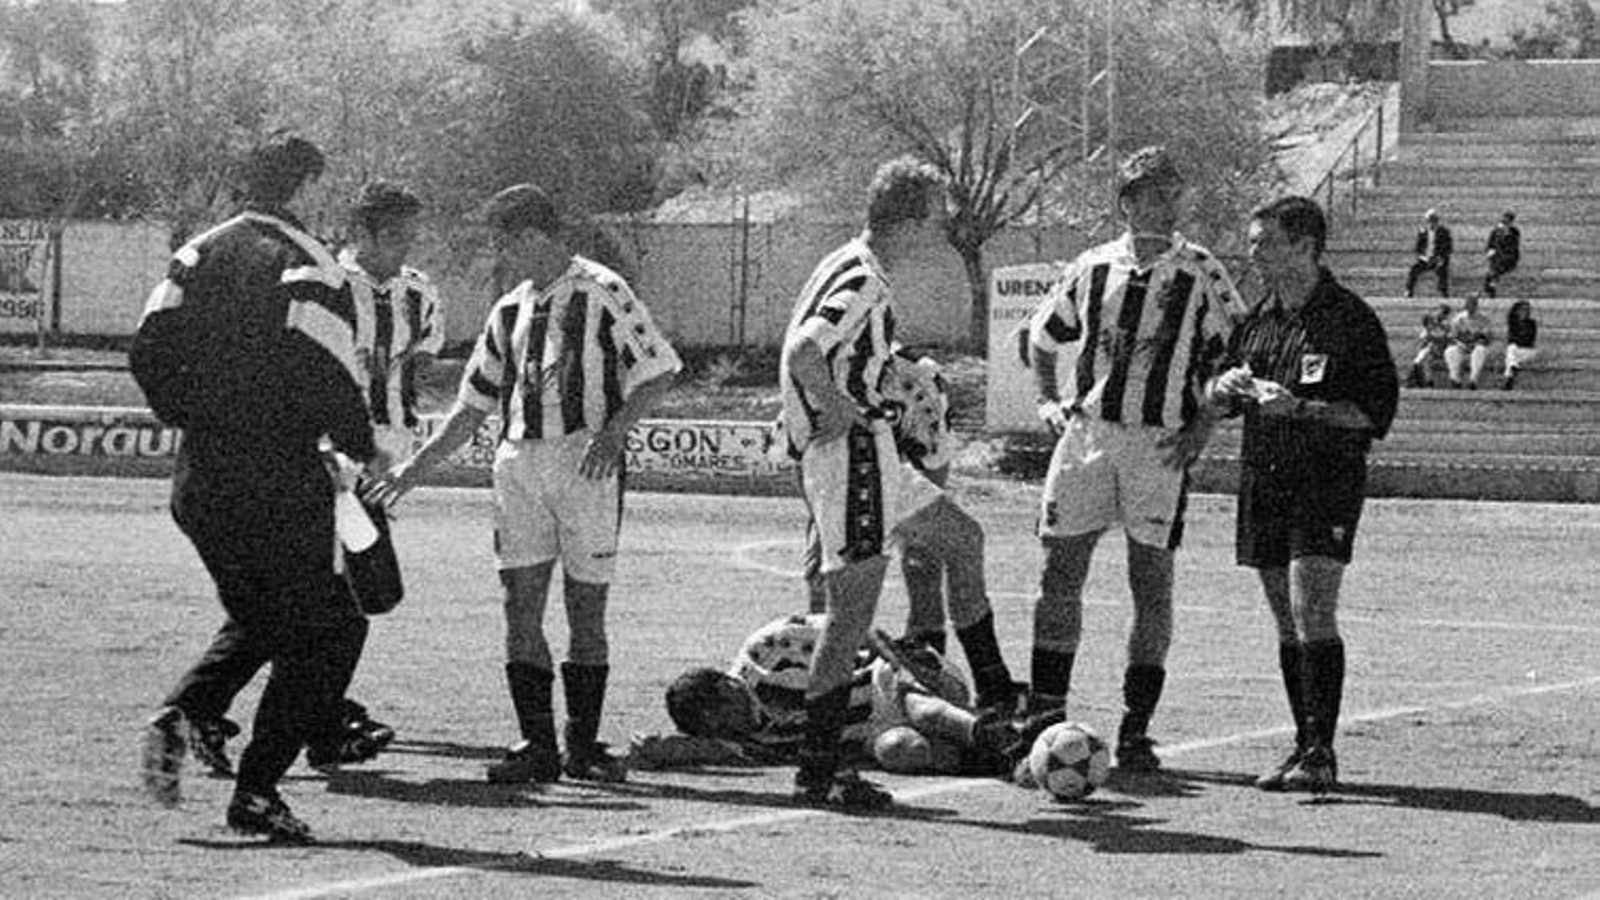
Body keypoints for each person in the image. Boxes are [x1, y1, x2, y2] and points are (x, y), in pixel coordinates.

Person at [363, 182, 680, 785]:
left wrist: (614, 433)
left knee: (585, 607)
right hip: (518, 467)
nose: (504, 253)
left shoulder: (603, 291)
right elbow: (471, 407)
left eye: (508, 240)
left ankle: (582, 745)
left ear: (536, 234)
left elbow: (658, 370)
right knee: (519, 605)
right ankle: (537, 746)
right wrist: (413, 471)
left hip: (584, 464)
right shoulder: (510, 308)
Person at [131, 132, 378, 842]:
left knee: (267, 617)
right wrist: (355, 446)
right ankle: (256, 793)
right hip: (275, 477)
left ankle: (186, 712)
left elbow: (147, 349)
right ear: (304, 186)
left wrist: (195, 414)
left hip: (200, 477)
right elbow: (323, 370)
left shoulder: (198, 250)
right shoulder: (308, 263)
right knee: (331, 628)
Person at [166, 181, 442, 781]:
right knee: (330, 604)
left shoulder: (419, 293)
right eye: (395, 235)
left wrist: (395, 445)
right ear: (362, 234)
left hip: (371, 461)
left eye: (410, 236)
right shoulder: (319, 280)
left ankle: (209, 710)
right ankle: (310, 728)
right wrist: (331, 447)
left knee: (331, 600)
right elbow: (308, 372)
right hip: (324, 461)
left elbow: (410, 371)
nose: (405, 248)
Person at [778, 156, 1030, 809]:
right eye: (938, 212)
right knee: (848, 617)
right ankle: (819, 770)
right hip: (855, 456)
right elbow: (804, 350)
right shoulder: (864, 278)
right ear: (914, 216)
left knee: (962, 539)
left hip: (876, 452)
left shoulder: (846, 262)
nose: (944, 224)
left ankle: (1000, 698)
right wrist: (833, 407)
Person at [1024, 145, 1246, 773]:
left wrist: (1204, 423)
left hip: (1159, 445)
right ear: (1126, 201)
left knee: (1150, 583)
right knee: (1058, 573)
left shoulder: (1200, 270)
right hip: (1090, 435)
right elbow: (1043, 336)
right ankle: (1044, 715)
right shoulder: (1093, 266)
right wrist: (1048, 399)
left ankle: (1136, 728)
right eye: (1152, 193)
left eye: (1173, 193)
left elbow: (1239, 353)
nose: (1166, 203)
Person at [1207, 195, 1399, 793]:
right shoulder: (1258, 321)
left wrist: (1303, 408)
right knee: (1286, 620)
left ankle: (1321, 752)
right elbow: (1217, 396)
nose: (1254, 252)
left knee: (1312, 605)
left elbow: (1370, 413)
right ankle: (1302, 744)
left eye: (1265, 241)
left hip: (1324, 481)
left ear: (1305, 247)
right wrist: (1225, 385)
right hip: (1264, 480)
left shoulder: (1350, 319)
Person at [799, 347, 1023, 714]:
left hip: (895, 472)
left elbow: (933, 465)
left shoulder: (920, 380)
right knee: (829, 593)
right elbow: (798, 452)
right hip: (836, 473)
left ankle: (963, 686)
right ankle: (825, 711)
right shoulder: (822, 366)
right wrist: (823, 527)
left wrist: (918, 537)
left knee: (937, 555)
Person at [630, 613, 1056, 776]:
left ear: (724, 686)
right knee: (900, 751)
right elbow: (704, 752)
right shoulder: (743, 737)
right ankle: (999, 760)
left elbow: (852, 625)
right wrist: (662, 749)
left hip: (890, 677)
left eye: (722, 716)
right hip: (870, 732)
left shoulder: (770, 648)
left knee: (923, 712)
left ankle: (1006, 734)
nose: (730, 728)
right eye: (717, 728)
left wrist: (915, 672)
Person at [1444, 293, 1493, 389]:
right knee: (1450, 351)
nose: (1470, 307)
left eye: (1473, 305)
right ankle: (1455, 380)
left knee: (1480, 350)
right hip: (1461, 346)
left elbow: (1487, 338)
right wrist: (1460, 344)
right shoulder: (1458, 319)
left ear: (1476, 306)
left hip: (1476, 347)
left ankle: (1473, 381)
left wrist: (1475, 343)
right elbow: (1452, 337)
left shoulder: (1483, 319)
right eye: (1468, 305)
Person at [1404, 208, 1453, 298]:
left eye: (1433, 220)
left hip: (1438, 259)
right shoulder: (1423, 232)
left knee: (1442, 269)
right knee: (1414, 269)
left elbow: (1448, 248)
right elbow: (1418, 248)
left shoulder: (1444, 232)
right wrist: (1424, 257)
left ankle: (1443, 291)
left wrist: (1439, 258)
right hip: (1425, 259)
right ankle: (1408, 290)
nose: (1431, 223)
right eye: (1429, 220)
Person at [1406, 302, 1452, 388]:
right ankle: (1424, 381)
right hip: (1430, 350)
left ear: (1446, 315)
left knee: (1423, 357)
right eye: (1438, 311)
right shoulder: (1431, 324)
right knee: (1423, 358)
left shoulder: (1447, 325)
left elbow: (1445, 339)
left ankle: (1419, 381)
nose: (1439, 314)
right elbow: (1423, 339)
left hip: (1441, 350)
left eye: (1442, 313)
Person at [1482, 211, 1520, 298]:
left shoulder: (1514, 232)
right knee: (1492, 272)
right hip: (1497, 257)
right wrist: (1490, 251)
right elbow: (1491, 243)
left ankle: (1491, 287)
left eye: (1507, 221)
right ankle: (1490, 288)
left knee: (1494, 271)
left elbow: (1513, 245)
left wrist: (1506, 233)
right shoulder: (1496, 232)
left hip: (1508, 257)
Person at [1502, 299, 1538, 390]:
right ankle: (1511, 373)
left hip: (1528, 351)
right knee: (1511, 349)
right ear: (1517, 311)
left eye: (1527, 310)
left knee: (1511, 352)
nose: (1526, 312)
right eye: (1523, 310)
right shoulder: (1513, 323)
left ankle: (1509, 376)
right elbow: (1511, 339)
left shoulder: (1532, 324)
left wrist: (1518, 340)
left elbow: (1529, 340)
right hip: (1516, 350)